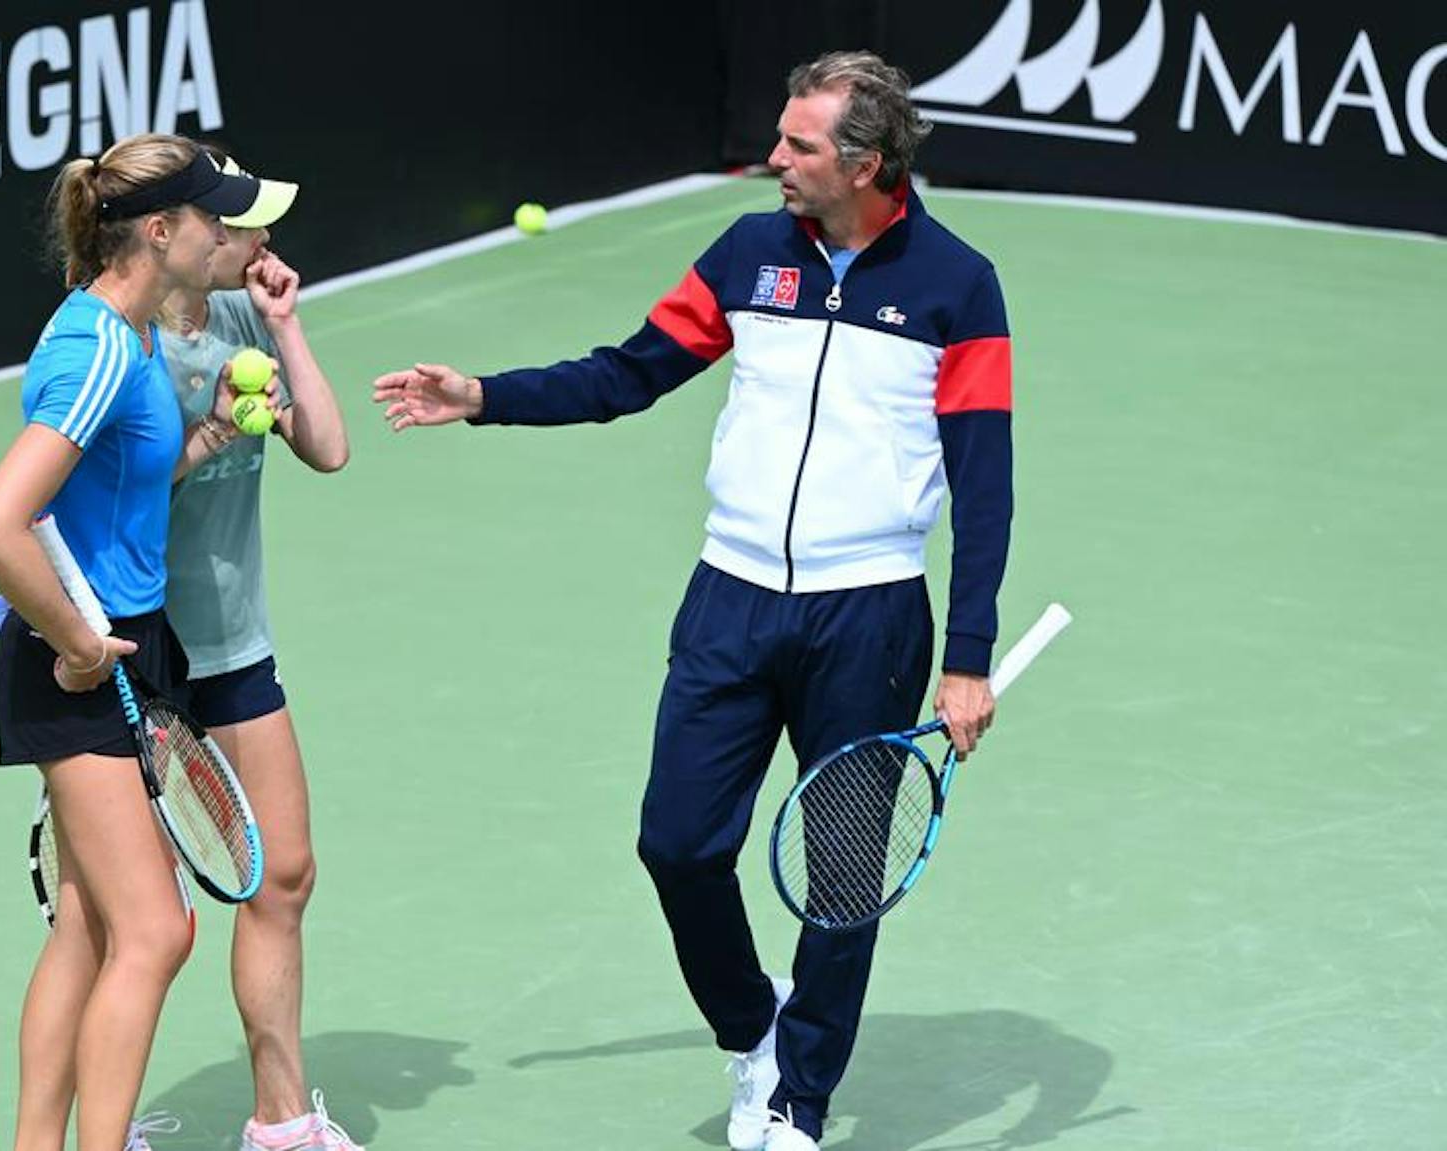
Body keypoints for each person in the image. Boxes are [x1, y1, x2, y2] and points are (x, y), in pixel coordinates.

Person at [371, 51, 1014, 1150]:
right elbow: (627, 373)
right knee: (674, 843)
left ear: (861, 163)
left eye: (797, 146)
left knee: (842, 879)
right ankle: (751, 1023)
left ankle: (799, 1101)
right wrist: (482, 397)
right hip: (729, 598)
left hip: (869, 616)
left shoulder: (957, 285)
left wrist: (965, 653)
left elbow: (982, 481)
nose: (773, 158)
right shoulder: (747, 252)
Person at [0, 133, 264, 1151]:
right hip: (84, 657)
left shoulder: (128, 337)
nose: (226, 234)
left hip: (120, 637)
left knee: (89, 925)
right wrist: (80, 644)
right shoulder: (96, 348)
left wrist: (202, 439)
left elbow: (113, 495)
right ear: (160, 230)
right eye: (212, 217)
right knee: (156, 929)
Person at [160, 151, 360, 1151]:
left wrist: (285, 324)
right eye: (243, 227)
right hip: (137, 662)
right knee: (127, 924)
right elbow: (92, 516)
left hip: (235, 651)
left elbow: (326, 445)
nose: (262, 243)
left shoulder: (242, 319)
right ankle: (97, 1124)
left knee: (281, 873)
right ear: (181, 233)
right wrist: (194, 444)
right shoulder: (116, 345)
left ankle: (280, 1124)